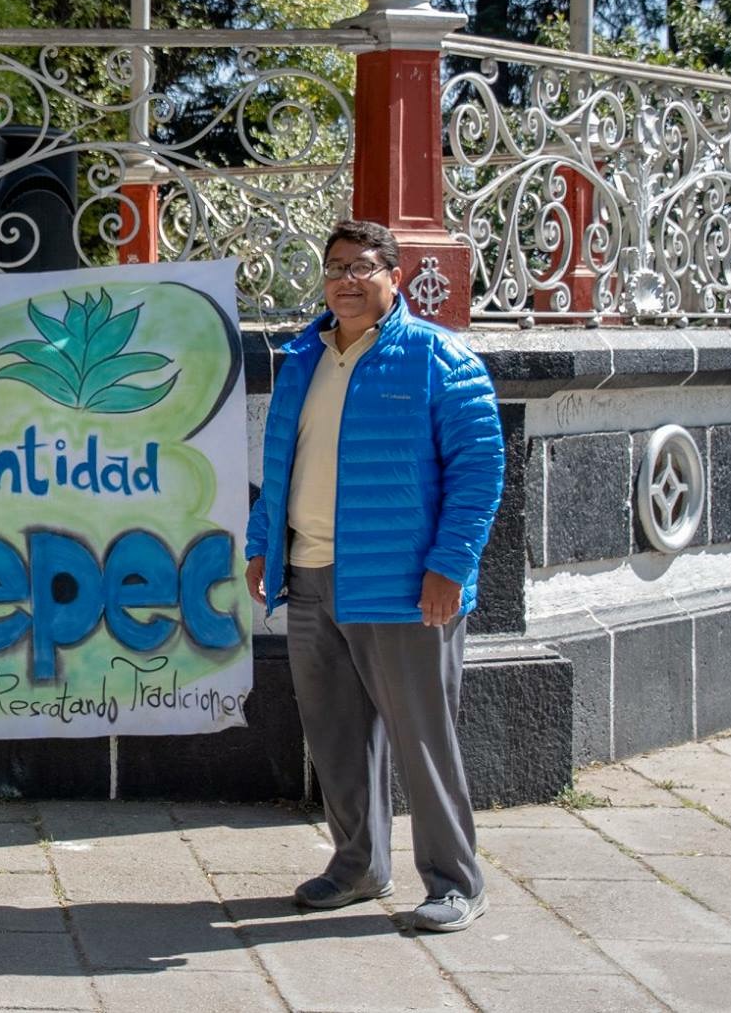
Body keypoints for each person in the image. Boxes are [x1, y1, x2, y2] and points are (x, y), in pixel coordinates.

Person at [244, 219, 505, 934]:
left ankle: (455, 881)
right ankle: (358, 863)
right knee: (334, 734)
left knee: (423, 737)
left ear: (394, 274)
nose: (347, 280)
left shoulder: (437, 358)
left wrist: (450, 565)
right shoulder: (303, 356)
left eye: (362, 266)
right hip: (310, 572)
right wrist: (263, 543)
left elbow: (479, 470)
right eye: (335, 267)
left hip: (400, 583)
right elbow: (281, 463)